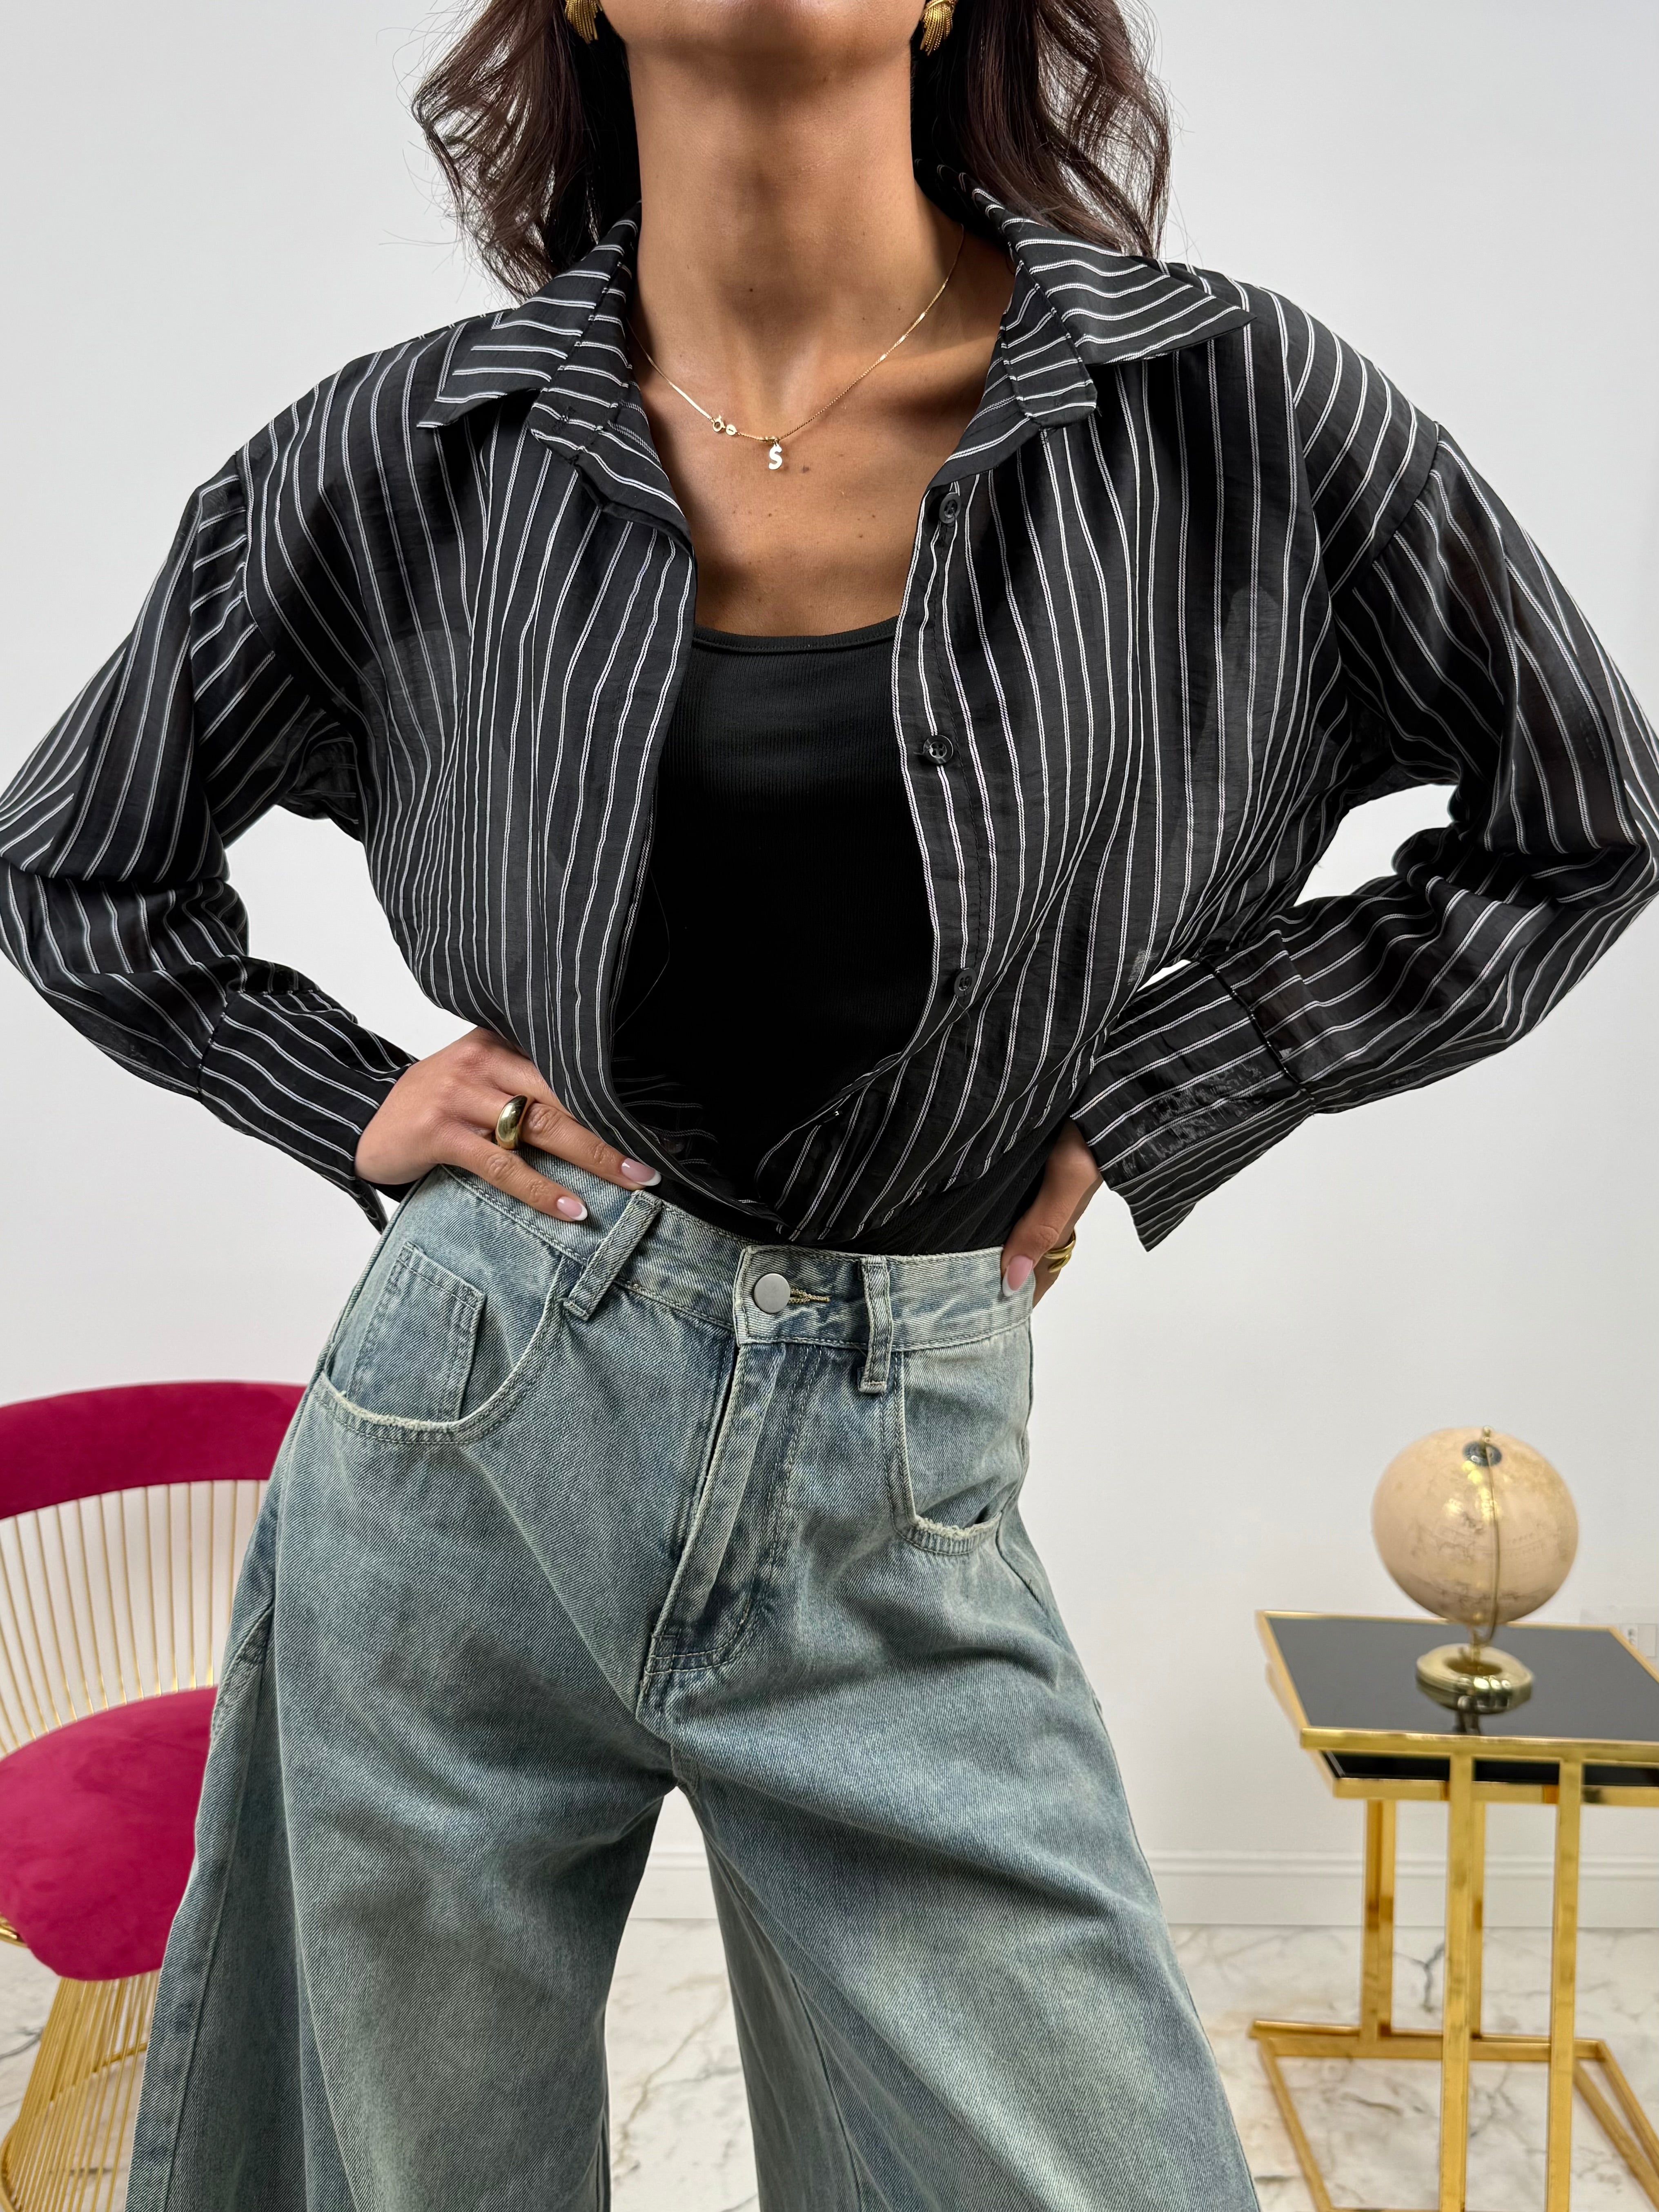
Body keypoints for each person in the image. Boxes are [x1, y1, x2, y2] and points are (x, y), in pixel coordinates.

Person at [1, 0, 1655, 2199]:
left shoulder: (1226, 408)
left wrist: (1174, 1086)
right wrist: (351, 1096)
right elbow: (79, 855)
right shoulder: (415, 448)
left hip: (896, 1479)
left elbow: (1580, 819)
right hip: (471, 1443)